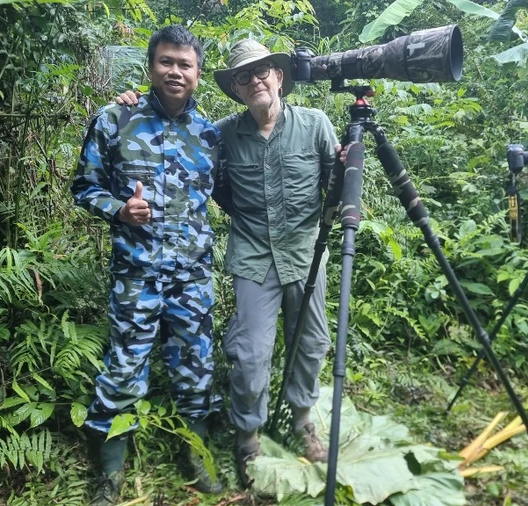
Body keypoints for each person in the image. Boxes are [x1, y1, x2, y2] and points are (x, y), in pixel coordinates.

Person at [116, 38, 338, 486]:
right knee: (251, 355)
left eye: (263, 71)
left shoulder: (315, 125)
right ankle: (248, 439)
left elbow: (335, 185)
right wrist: (133, 104)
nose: (255, 79)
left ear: (279, 77)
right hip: (254, 258)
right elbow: (209, 181)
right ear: (236, 89)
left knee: (310, 345)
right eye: (243, 76)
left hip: (306, 255)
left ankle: (302, 422)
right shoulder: (221, 134)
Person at [71, 25, 224, 505]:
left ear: (198, 74)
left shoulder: (211, 134)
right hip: (136, 272)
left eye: (185, 64)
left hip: (192, 272)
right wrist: (118, 209)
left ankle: (194, 455)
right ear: (151, 66)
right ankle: (110, 472)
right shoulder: (116, 119)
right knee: (124, 366)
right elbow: (84, 186)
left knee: (196, 365)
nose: (175, 71)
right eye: (166, 62)